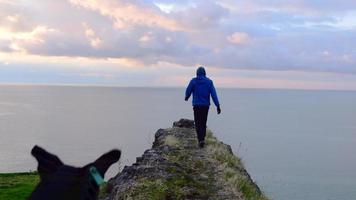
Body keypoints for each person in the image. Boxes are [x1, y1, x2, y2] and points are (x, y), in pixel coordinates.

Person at [185, 66, 221, 148]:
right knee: (203, 122)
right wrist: (217, 105)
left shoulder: (193, 81)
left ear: (197, 73)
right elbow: (214, 95)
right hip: (205, 106)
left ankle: (200, 139)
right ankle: (202, 139)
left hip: (196, 106)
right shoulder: (209, 82)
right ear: (205, 73)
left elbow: (188, 90)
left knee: (197, 122)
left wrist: (187, 97)